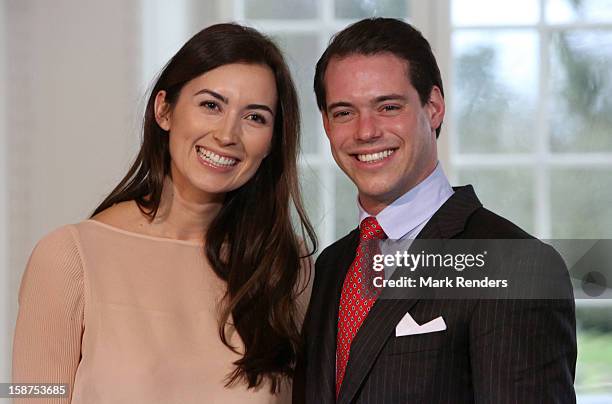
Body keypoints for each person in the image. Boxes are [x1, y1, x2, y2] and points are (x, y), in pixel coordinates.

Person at [13, 23, 316, 404]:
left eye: (254, 117)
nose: (227, 134)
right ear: (164, 110)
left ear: (272, 141)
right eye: (210, 105)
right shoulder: (67, 256)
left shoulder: (285, 268)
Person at [294, 18, 576, 403]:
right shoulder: (329, 268)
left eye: (388, 106)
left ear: (434, 107)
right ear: (327, 124)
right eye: (344, 112)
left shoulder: (515, 267)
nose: (365, 131)